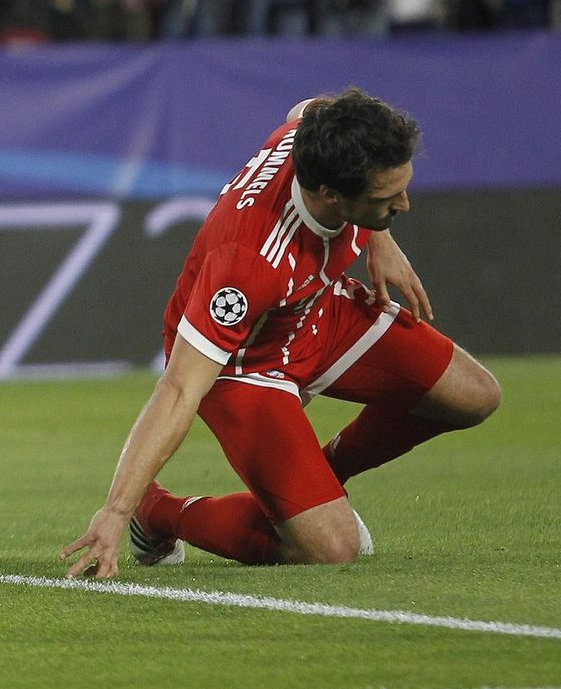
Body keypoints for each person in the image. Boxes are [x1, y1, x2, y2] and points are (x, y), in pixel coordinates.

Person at [62, 89, 501, 577]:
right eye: (386, 199)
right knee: (332, 548)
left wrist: (381, 234)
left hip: (315, 309)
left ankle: (321, 483)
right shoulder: (246, 262)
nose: (405, 203)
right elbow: (180, 388)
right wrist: (116, 509)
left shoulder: (315, 135)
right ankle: (158, 512)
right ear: (330, 194)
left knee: (474, 395)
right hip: (244, 364)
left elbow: (307, 107)